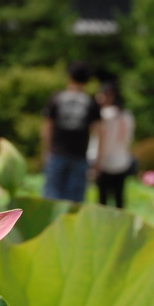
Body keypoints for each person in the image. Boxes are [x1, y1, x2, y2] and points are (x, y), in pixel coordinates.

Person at [41, 61, 101, 202]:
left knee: (51, 197)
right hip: (79, 155)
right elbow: (99, 133)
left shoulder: (56, 98)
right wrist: (98, 158)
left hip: (57, 153)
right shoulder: (91, 102)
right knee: (75, 201)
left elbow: (47, 128)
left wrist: (46, 150)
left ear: (70, 77)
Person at [91, 81, 135, 208]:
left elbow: (100, 141)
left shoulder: (103, 115)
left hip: (103, 163)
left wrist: (97, 162)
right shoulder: (127, 116)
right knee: (119, 200)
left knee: (102, 202)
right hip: (122, 162)